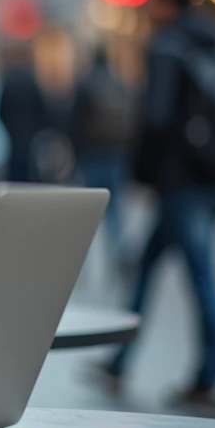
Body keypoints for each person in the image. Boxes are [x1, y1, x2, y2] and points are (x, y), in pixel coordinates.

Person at [99, 0, 215, 411]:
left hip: (180, 183)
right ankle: (129, 361)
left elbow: (157, 118)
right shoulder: (212, 42)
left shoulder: (167, 47)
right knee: (152, 266)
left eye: (153, 1)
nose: (148, 9)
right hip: (213, 177)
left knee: (202, 280)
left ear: (167, 3)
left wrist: (140, 173)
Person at [71, 44, 135, 273]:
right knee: (115, 210)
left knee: (87, 212)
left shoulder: (86, 84)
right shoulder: (120, 84)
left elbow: (75, 122)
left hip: (91, 155)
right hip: (117, 154)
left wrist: (74, 154)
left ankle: (79, 264)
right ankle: (117, 257)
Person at [0, 41, 47, 183]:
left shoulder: (9, 81)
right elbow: (41, 109)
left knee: (14, 172)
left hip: (13, 134)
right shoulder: (32, 81)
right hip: (30, 135)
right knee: (29, 172)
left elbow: (1, 109)